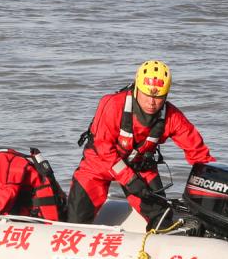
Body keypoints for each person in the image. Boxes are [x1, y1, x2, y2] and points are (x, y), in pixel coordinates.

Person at [67, 60, 215, 228]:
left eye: (158, 97)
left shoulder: (173, 117)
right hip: (99, 164)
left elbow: (198, 153)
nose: (152, 102)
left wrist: (213, 184)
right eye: (147, 94)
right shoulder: (112, 104)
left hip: (139, 166)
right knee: (75, 222)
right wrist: (129, 179)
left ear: (166, 95)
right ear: (137, 88)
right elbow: (103, 148)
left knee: (162, 219)